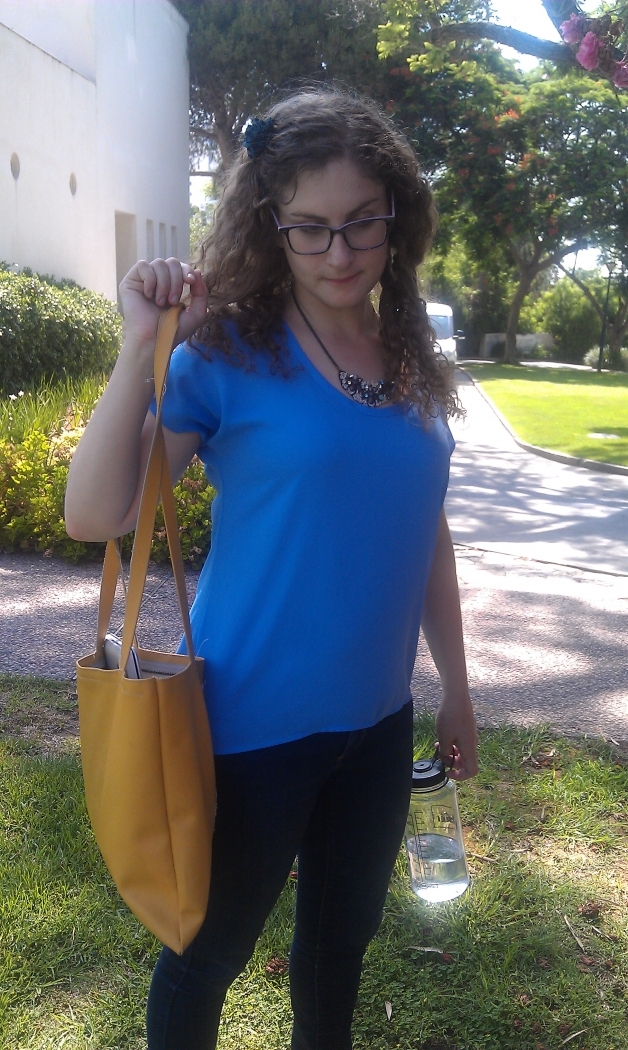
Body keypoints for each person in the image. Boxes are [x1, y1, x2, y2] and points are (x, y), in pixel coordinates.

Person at [65, 87, 478, 1050]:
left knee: (339, 953)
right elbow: (98, 515)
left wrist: (456, 689)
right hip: (249, 728)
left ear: (396, 214)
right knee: (205, 956)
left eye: (361, 221)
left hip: (379, 726)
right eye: (310, 228)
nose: (340, 253)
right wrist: (139, 348)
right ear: (271, 225)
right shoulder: (227, 352)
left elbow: (426, 533)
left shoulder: (411, 351)